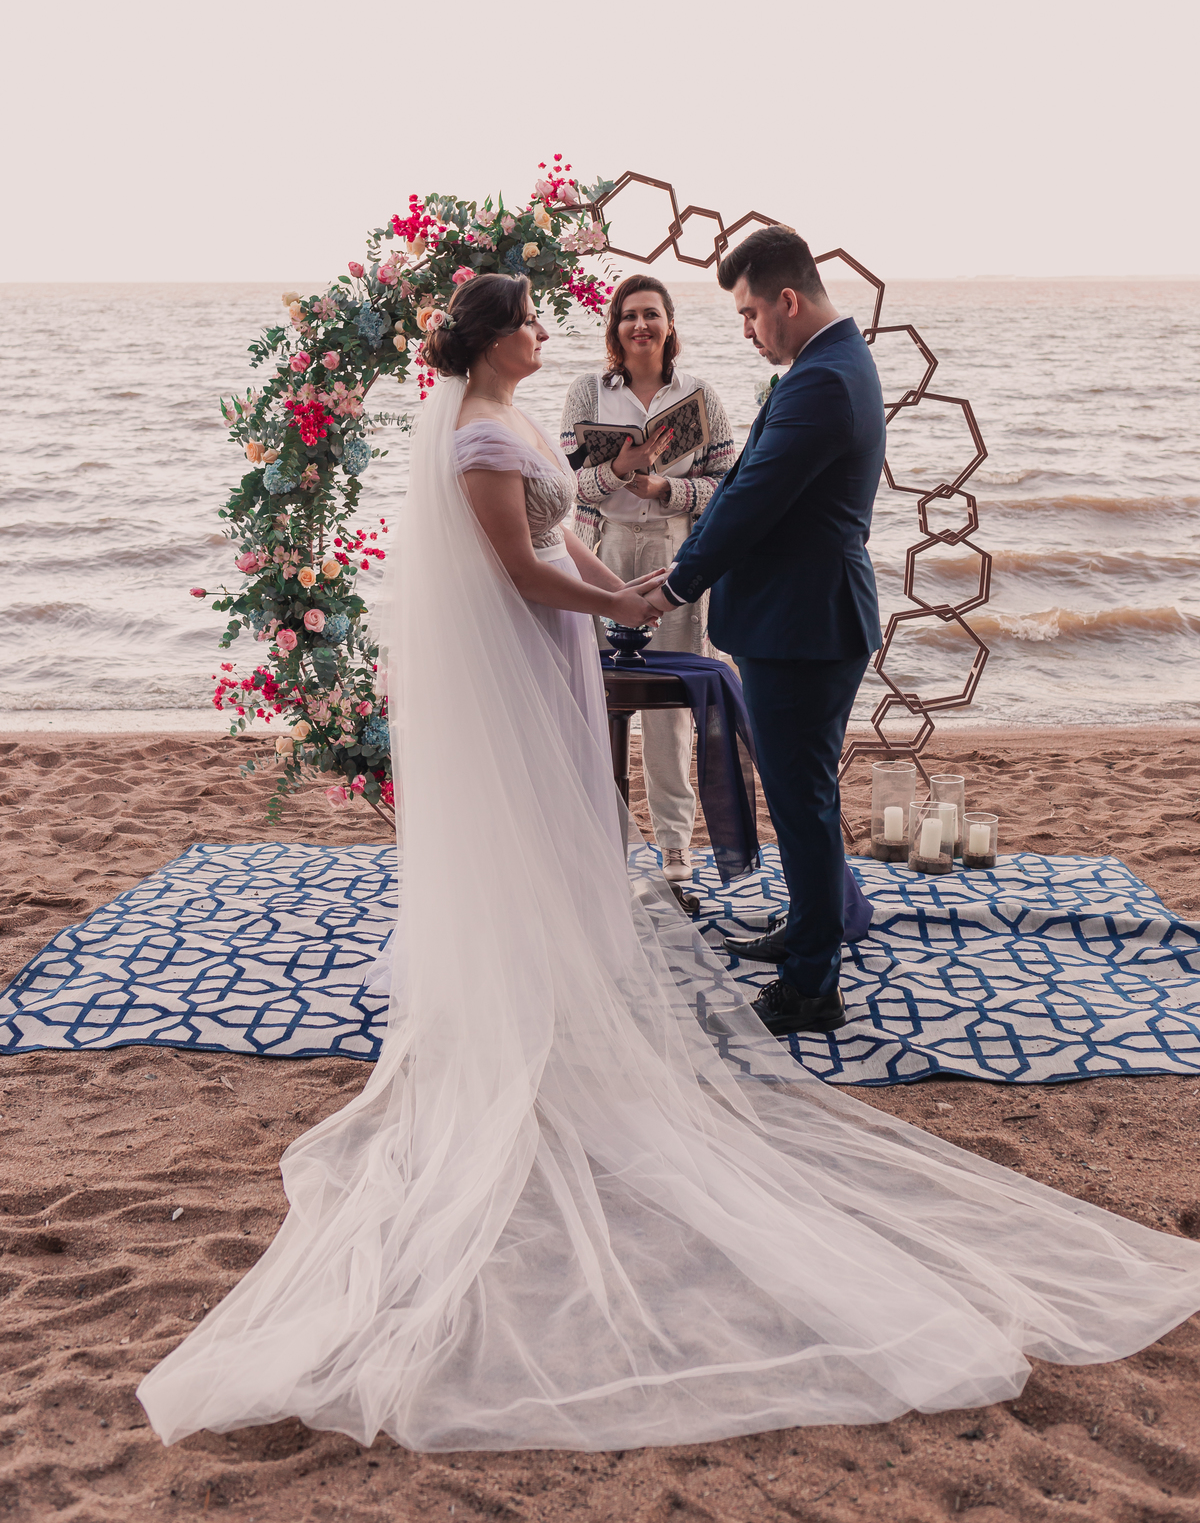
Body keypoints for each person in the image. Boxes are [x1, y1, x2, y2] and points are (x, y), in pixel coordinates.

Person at [137, 273, 1200, 1455]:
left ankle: (599, 958)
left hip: (565, 637)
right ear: (493, 342)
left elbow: (569, 540)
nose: (552, 330)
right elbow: (521, 570)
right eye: (532, 319)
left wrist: (630, 594)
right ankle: (536, 993)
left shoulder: (524, 420)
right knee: (541, 820)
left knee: (590, 812)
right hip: (529, 641)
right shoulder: (482, 437)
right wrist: (624, 600)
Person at [647, 227, 886, 1039]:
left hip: (805, 624)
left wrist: (678, 583)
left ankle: (814, 985)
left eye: (750, 314)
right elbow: (747, 482)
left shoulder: (823, 381)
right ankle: (810, 931)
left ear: (788, 300)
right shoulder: (821, 367)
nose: (747, 330)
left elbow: (752, 501)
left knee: (804, 801)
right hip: (799, 620)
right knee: (797, 799)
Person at [560, 276, 735, 883]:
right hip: (600, 550)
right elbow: (568, 486)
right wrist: (617, 470)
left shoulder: (700, 396)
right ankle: (596, 845)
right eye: (630, 316)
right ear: (615, 328)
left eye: (652, 315)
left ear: (668, 325)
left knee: (670, 708)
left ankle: (676, 850)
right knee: (593, 698)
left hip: (672, 554)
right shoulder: (588, 393)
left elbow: (727, 486)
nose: (641, 326)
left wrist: (666, 488)